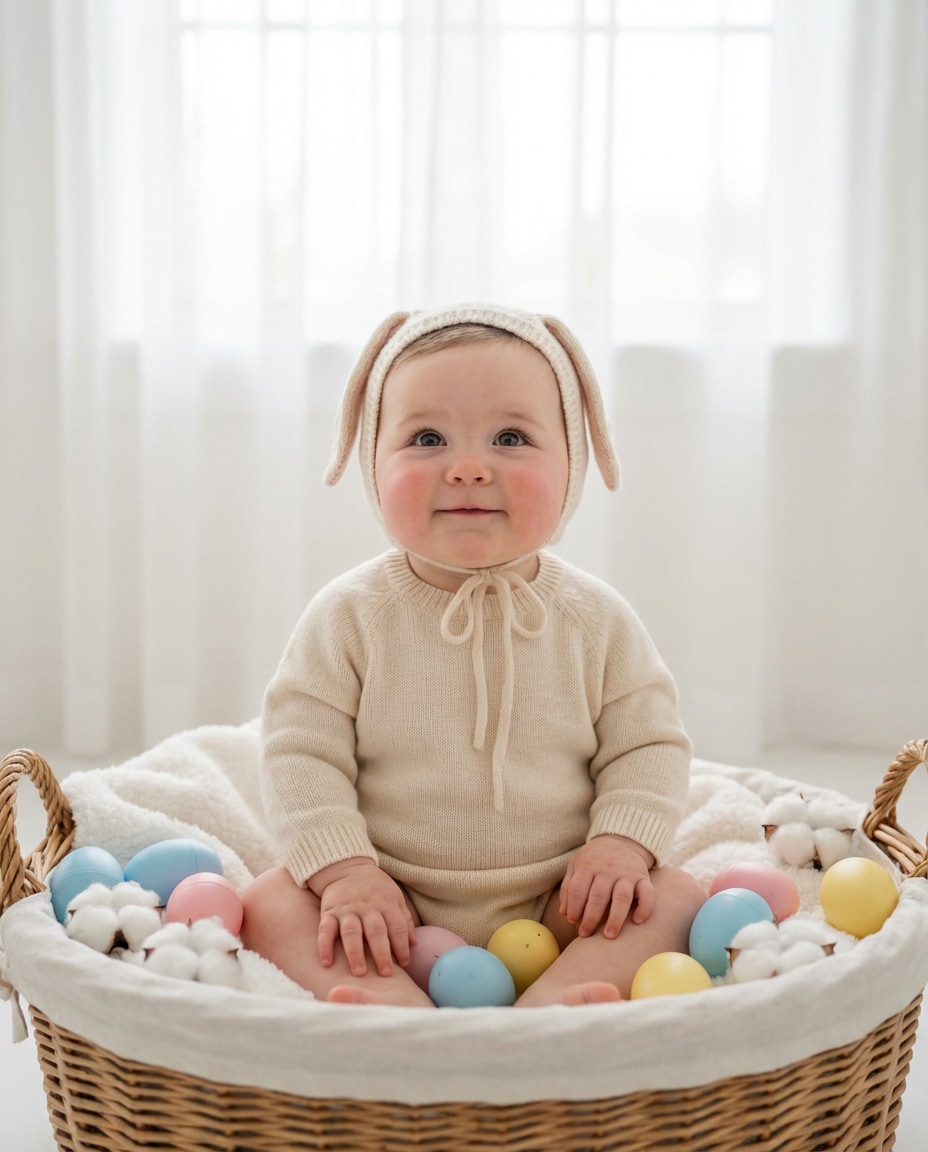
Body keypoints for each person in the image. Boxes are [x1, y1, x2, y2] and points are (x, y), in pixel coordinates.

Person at [241, 303, 706, 1007]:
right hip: (388, 901)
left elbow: (648, 745)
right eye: (427, 438)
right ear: (372, 461)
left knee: (674, 896)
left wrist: (619, 846)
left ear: (573, 461)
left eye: (510, 437)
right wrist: (345, 874)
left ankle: (550, 1006)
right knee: (268, 903)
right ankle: (400, 1016)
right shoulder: (348, 616)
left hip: (562, 898)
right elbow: (299, 754)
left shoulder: (596, 619)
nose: (466, 469)